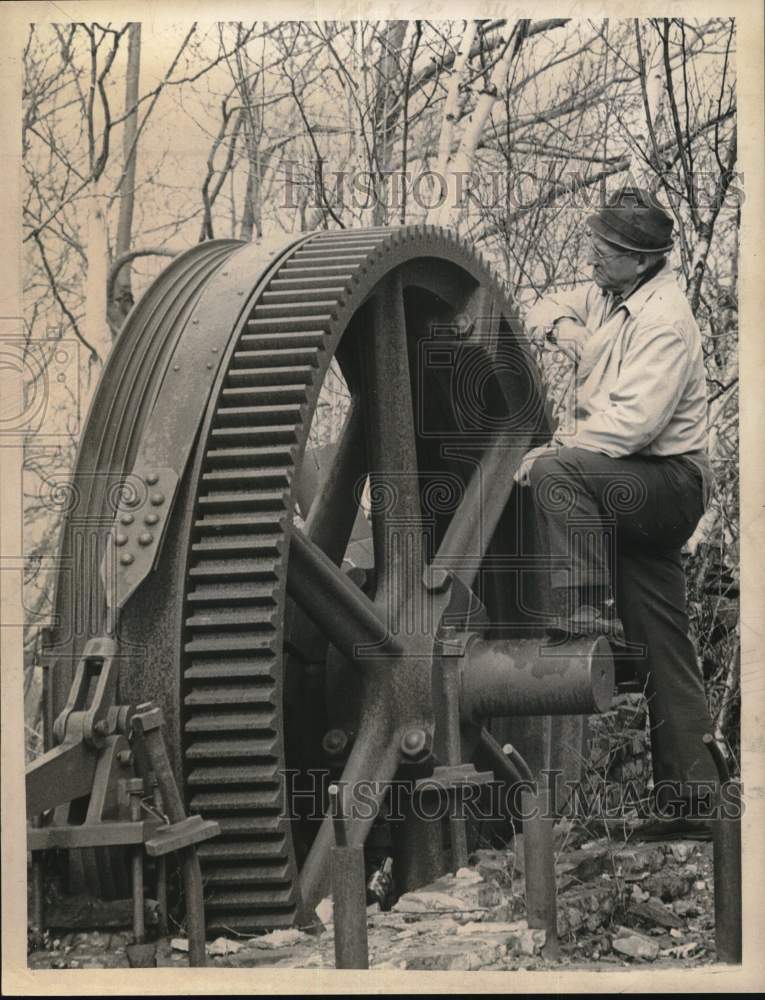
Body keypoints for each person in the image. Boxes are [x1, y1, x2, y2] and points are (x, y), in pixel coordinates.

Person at [518, 187, 719, 837]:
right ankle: (693, 801)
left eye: (604, 250)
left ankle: (578, 620)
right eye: (593, 245)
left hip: (665, 484)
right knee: (664, 640)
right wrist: (565, 326)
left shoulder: (665, 320)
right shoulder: (606, 294)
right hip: (630, 482)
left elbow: (629, 429)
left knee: (553, 473)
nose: (592, 257)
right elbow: (538, 304)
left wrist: (556, 452)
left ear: (639, 260)